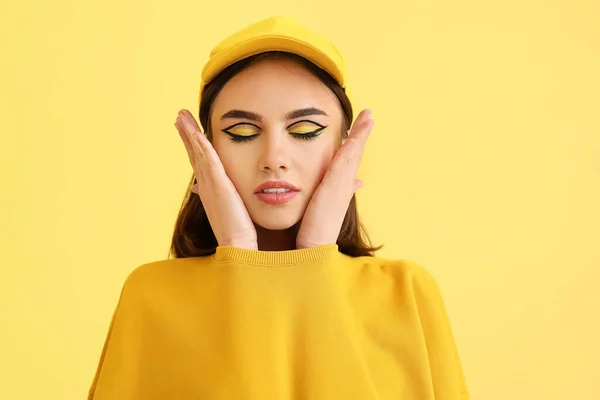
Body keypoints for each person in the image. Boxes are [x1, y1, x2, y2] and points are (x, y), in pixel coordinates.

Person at [88, 16, 470, 400]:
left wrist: (316, 259)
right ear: (205, 153)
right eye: (242, 133)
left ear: (344, 147)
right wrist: (240, 256)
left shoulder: (406, 293)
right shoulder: (153, 296)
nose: (273, 158)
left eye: (305, 130)